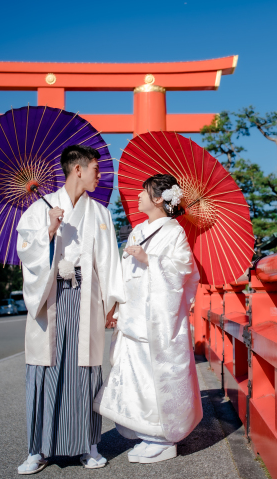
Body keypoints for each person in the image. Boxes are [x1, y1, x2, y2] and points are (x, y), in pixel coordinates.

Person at [15, 145, 124, 475]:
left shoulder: (100, 213)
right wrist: (48, 231)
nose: (99, 175)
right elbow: (25, 251)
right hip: (50, 295)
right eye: (96, 168)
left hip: (86, 296)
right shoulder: (39, 209)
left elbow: (109, 261)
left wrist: (112, 304)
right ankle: (37, 449)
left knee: (84, 370)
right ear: (78, 169)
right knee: (46, 369)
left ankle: (89, 446)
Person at [95, 174, 202, 464]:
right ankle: (146, 433)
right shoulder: (138, 230)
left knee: (156, 378)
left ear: (158, 199)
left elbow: (184, 271)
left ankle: (164, 438)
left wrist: (148, 260)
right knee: (134, 378)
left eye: (144, 192)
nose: (139, 197)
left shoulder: (174, 232)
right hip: (132, 315)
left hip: (157, 320)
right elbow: (125, 274)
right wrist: (115, 309)